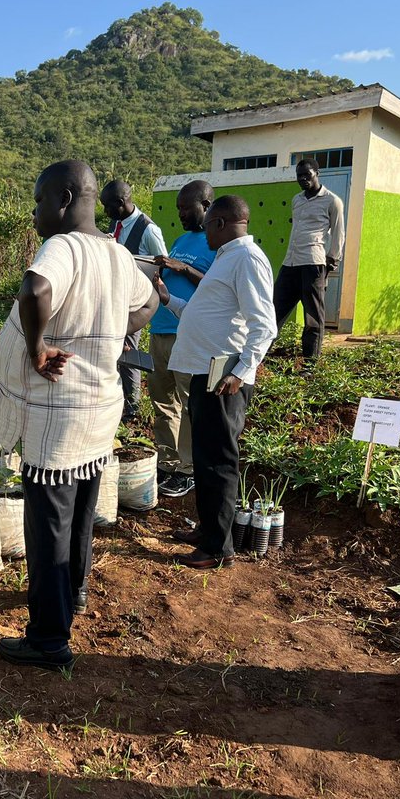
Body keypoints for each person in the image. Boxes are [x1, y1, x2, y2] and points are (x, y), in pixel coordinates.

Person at [0, 161, 158, 669]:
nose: (35, 212)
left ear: (63, 199)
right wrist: (114, 328)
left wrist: (37, 348)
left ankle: (48, 639)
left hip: (59, 416)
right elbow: (152, 301)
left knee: (48, 528)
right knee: (81, 515)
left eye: (39, 201)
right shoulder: (117, 253)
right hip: (100, 410)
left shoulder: (62, 247)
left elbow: (34, 290)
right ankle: (74, 593)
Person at [159, 195, 276, 570]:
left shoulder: (247, 258)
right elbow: (203, 313)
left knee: (219, 461)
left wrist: (240, 373)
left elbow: (264, 325)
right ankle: (208, 530)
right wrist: (168, 299)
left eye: (208, 224)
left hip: (224, 377)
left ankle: (218, 549)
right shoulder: (227, 258)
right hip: (206, 372)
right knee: (205, 458)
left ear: (221, 223)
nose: (204, 232)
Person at [150, 180, 215, 499]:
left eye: (186, 208)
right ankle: (167, 462)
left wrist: (184, 268)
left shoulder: (216, 243)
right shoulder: (179, 240)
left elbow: (217, 288)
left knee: (190, 404)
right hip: (159, 330)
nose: (181, 214)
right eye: (178, 208)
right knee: (163, 401)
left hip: (187, 335)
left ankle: (189, 469)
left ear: (206, 205)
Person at [100, 179, 167, 422]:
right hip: (114, 297)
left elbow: (162, 263)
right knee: (112, 347)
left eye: (108, 206)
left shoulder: (148, 229)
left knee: (128, 350)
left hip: (135, 301)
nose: (105, 211)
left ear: (121, 202)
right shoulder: (116, 223)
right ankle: (117, 400)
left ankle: (132, 408)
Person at [273, 159, 345, 359]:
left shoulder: (332, 201)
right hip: (290, 262)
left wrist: (332, 259)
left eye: (307, 174)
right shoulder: (296, 200)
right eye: (299, 176)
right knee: (273, 310)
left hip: (313, 263)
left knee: (313, 317)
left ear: (317, 173)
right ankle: (257, 357)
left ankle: (310, 364)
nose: (303, 179)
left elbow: (339, 233)